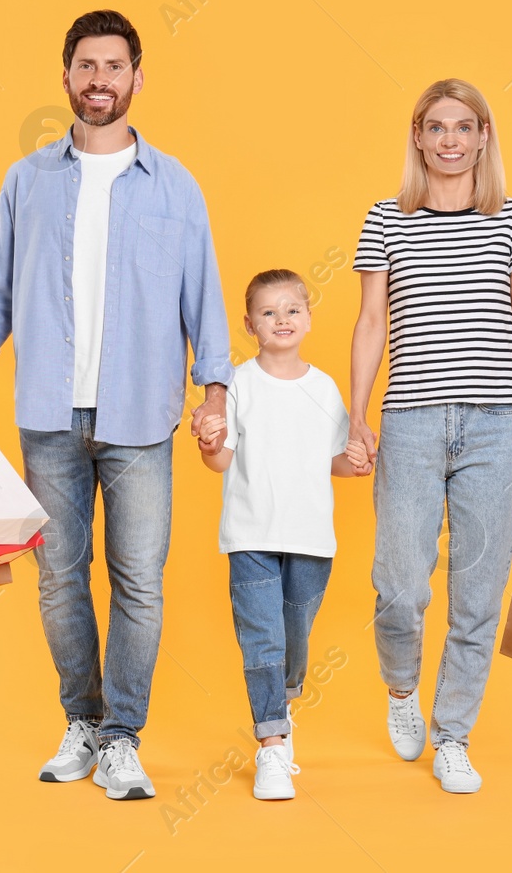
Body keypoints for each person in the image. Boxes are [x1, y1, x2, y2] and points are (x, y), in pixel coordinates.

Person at [0, 10, 232, 801]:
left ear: (137, 77)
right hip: (50, 415)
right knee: (58, 578)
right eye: (85, 65)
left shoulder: (176, 185)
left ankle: (123, 736)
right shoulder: (28, 181)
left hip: (140, 416)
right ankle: (82, 721)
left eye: (113, 66)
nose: (99, 79)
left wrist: (215, 392)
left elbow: (207, 301)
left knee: (140, 582)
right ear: (65, 77)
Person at [347, 78, 512, 793]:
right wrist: (356, 415)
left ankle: (453, 734)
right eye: (436, 126)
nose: (450, 139)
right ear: (418, 137)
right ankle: (399, 688)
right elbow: (370, 324)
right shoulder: (386, 219)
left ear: (484, 136)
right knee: (399, 585)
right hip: (411, 422)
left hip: (492, 427)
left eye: (464, 126)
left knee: (478, 592)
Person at [197, 270, 370, 800]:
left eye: (292, 309)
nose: (282, 320)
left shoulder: (324, 388)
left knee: (294, 637)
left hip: (311, 539)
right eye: (269, 313)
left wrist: (358, 460)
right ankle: (271, 742)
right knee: (262, 639)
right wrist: (207, 445)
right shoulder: (238, 383)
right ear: (251, 325)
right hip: (250, 534)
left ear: (310, 318)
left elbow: (338, 461)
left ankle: (284, 702)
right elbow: (223, 460)